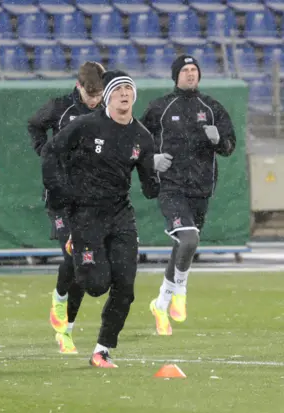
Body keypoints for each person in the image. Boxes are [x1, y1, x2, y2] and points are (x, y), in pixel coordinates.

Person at [40, 70, 159, 368]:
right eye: (117, 89)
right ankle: (75, 257)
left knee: (126, 288)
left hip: (121, 217)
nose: (123, 93)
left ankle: (102, 350)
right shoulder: (85, 125)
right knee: (96, 285)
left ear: (134, 95)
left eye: (128, 89)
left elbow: (149, 187)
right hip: (85, 214)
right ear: (107, 96)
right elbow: (51, 152)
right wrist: (59, 192)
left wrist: (158, 175)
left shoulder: (142, 136)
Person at [141, 55, 236, 336]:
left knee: (184, 245)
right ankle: (180, 290)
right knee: (190, 238)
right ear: (176, 75)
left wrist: (219, 140)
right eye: (185, 70)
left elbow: (229, 146)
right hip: (171, 186)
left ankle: (161, 303)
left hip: (202, 189)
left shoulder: (212, 107)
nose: (191, 74)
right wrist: (152, 158)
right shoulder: (159, 107)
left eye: (194, 69)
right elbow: (136, 142)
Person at [27, 61, 105, 354]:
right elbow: (35, 125)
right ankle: (59, 301)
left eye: (99, 95)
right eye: (90, 94)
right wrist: (44, 150)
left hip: (91, 197)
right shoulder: (60, 108)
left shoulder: (104, 111)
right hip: (60, 196)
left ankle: (66, 329)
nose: (94, 100)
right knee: (72, 254)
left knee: (85, 265)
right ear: (79, 86)